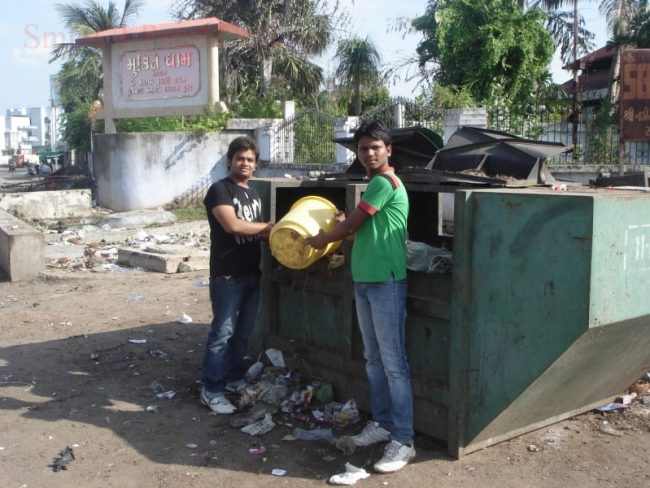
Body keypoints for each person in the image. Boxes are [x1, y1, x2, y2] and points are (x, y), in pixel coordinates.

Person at [306, 120, 414, 473]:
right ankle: (382, 423)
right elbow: (359, 230)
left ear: (388, 150)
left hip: (386, 282)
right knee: (373, 359)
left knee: (393, 364)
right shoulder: (373, 187)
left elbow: (351, 226)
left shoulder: (384, 182)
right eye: (363, 148)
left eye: (375, 147)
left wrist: (322, 240)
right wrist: (341, 227)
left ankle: (403, 439)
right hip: (365, 280)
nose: (368, 153)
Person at [201, 136, 272, 414]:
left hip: (251, 273)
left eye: (250, 160)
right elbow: (233, 226)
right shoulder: (219, 190)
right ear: (229, 160)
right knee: (222, 334)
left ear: (256, 165)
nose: (245, 163)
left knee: (242, 334)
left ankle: (233, 379)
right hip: (227, 275)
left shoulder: (252, 194)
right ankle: (211, 389)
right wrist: (269, 228)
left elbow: (257, 232)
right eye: (240, 158)